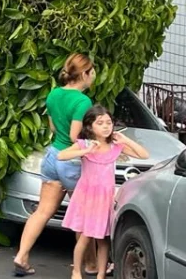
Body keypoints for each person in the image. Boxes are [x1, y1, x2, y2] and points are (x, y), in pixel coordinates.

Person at [13, 53, 98, 277]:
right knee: (83, 215)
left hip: (52, 156)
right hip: (71, 161)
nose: (95, 75)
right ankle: (89, 265)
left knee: (42, 211)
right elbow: (73, 135)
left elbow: (53, 129)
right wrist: (93, 145)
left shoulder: (54, 94)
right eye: (93, 71)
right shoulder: (83, 101)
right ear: (85, 74)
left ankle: (21, 256)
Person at [59, 106, 148, 279]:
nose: (106, 126)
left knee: (103, 238)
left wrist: (126, 140)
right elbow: (61, 155)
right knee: (85, 236)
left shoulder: (115, 147)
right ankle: (76, 271)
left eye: (109, 122)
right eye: (100, 123)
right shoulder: (84, 144)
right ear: (89, 126)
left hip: (105, 198)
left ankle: (101, 274)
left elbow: (144, 155)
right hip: (87, 197)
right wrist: (85, 151)